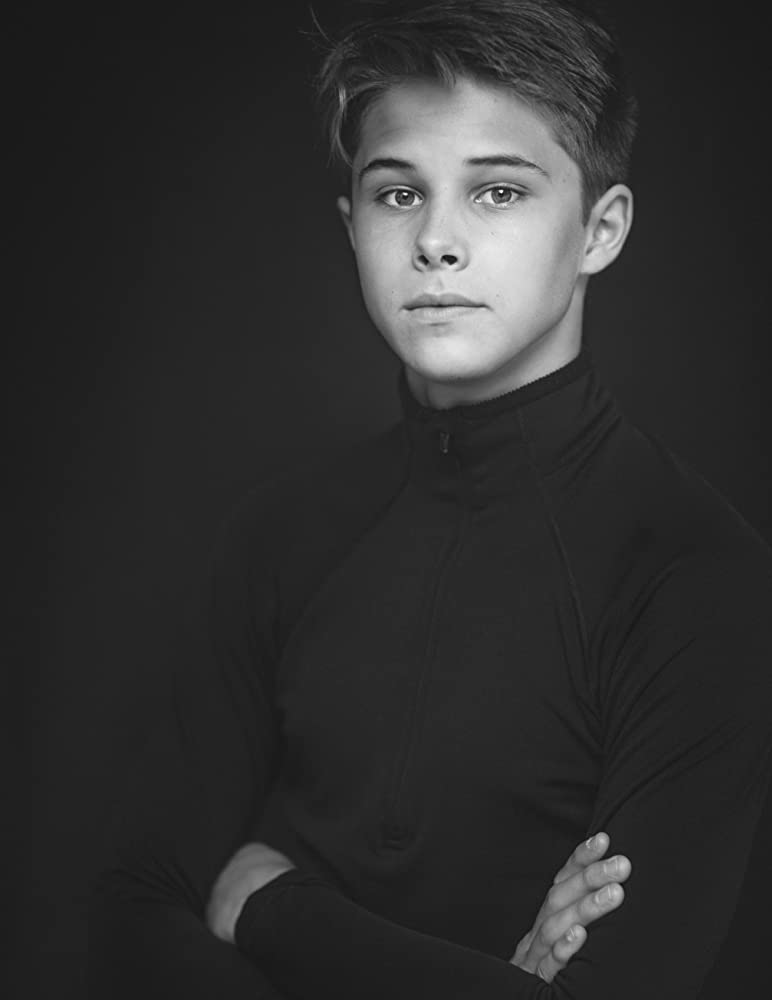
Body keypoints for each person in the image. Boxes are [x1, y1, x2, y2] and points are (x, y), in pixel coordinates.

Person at [88, 1, 772, 997]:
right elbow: (127, 913)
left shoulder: (696, 573)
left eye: (498, 191)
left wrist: (270, 903)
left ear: (601, 229)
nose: (436, 242)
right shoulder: (278, 537)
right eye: (398, 193)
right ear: (351, 224)